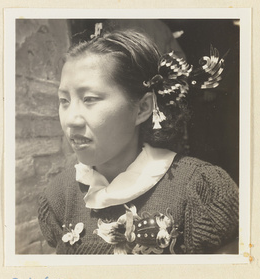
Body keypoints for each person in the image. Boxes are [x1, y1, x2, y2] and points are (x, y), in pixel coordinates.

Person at [38, 29, 239, 255]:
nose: (71, 120)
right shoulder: (59, 195)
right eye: (64, 101)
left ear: (143, 108)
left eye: (90, 99)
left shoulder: (199, 191)